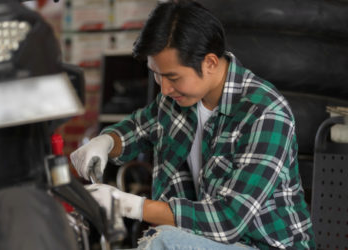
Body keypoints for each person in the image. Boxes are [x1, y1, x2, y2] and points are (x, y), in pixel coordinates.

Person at [70, 1, 315, 249]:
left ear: (209, 63)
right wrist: (106, 142)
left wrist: (127, 204)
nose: (164, 88)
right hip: (202, 239)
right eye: (156, 73)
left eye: (173, 77)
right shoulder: (177, 100)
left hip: (262, 245)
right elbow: (138, 128)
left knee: (164, 241)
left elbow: (227, 220)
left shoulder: (265, 113)